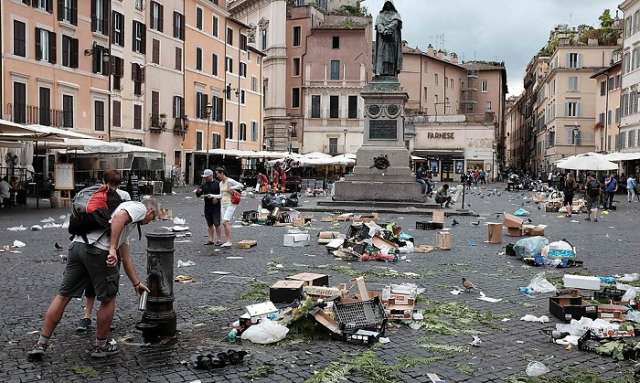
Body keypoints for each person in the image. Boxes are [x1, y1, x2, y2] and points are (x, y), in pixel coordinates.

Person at [28, 196, 157, 360]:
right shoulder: (139, 207)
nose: (150, 222)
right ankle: (100, 346)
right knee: (108, 299)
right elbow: (119, 218)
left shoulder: (120, 222)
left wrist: (136, 283)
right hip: (99, 251)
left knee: (63, 295)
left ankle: (41, 343)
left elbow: (126, 258)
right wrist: (111, 249)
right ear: (151, 211)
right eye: (153, 219)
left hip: (77, 246)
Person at [77, 170, 132, 333]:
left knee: (90, 283)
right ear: (120, 182)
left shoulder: (95, 192)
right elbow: (125, 224)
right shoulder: (125, 196)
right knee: (108, 286)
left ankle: (86, 316)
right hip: (114, 245)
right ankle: (106, 318)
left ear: (103, 180)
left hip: (90, 242)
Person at [216, 167, 243, 248]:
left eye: (217, 174)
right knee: (224, 223)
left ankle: (229, 241)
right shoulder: (220, 183)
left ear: (222, 173)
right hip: (223, 204)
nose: (217, 176)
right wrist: (212, 196)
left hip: (231, 203)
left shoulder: (230, 181)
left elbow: (240, 185)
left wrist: (231, 188)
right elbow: (221, 195)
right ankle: (228, 240)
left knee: (225, 221)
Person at [195, 169, 222, 246]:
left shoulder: (217, 184)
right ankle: (210, 239)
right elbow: (198, 195)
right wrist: (198, 191)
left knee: (217, 223)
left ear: (211, 176)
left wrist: (217, 199)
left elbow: (222, 195)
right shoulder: (204, 184)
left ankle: (219, 239)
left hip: (216, 207)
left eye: (206, 177)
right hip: (207, 206)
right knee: (209, 224)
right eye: (204, 177)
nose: (205, 178)